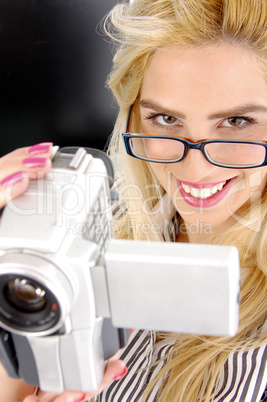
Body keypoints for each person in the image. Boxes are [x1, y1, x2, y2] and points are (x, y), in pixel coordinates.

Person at [0, 0, 266, 401]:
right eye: (166, 119)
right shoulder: (84, 246)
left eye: (236, 122)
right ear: (133, 117)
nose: (194, 169)